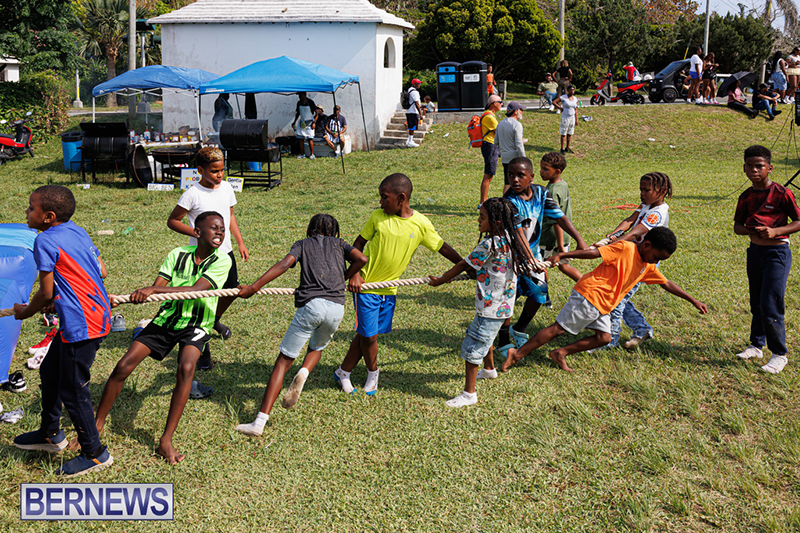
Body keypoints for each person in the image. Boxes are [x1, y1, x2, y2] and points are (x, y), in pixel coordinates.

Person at [90, 212, 232, 464]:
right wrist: (146, 293)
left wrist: (154, 289)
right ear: (197, 233)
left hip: (197, 322)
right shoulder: (177, 254)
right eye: (214, 228)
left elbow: (196, 290)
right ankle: (97, 425)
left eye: (222, 229)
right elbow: (159, 285)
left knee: (186, 368)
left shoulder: (222, 261)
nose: (220, 232)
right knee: (124, 365)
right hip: (167, 318)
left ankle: (166, 440)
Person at [501, 227, 708, 373]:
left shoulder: (648, 266)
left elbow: (666, 283)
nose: (657, 261)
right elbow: (593, 253)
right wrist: (562, 255)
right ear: (647, 244)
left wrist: (692, 300)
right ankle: (517, 354)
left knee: (604, 338)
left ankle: (559, 353)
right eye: (657, 256)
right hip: (590, 295)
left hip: (603, 305)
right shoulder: (625, 248)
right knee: (558, 329)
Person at [12, 185, 113, 476]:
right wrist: (65, 295)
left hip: (83, 324)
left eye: (32, 208)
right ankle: (49, 434)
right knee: (50, 371)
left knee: (72, 388)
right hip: (94, 312)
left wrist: (25, 312)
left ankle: (95, 453)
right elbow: (100, 270)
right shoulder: (77, 231)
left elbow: (44, 294)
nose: (27, 212)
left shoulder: (43, 241)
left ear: (48, 216)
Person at [235, 215, 367, 435]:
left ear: (310, 229)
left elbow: (285, 264)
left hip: (311, 306)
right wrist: (343, 278)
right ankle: (305, 371)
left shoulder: (302, 245)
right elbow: (361, 259)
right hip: (336, 308)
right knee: (317, 347)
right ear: (335, 231)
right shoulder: (341, 244)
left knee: (283, 362)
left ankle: (259, 422)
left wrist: (254, 287)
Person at [334, 173, 463, 395]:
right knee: (370, 335)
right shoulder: (377, 217)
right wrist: (354, 273)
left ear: (401, 197)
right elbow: (357, 244)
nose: (381, 202)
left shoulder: (421, 223)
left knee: (368, 333)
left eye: (385, 197)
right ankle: (373, 374)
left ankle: (343, 372)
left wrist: (465, 265)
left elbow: (442, 247)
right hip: (365, 286)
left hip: (390, 290)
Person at [429, 198, 534, 407]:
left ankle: (469, 394)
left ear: (495, 222)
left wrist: (441, 280)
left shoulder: (489, 243)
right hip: (504, 306)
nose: (478, 220)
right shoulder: (512, 240)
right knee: (487, 338)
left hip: (490, 307)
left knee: (473, 346)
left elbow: (462, 264)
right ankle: (489, 370)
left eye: (482, 217)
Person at [495, 157, 588, 369]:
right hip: (509, 259)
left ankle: (519, 329)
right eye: (511, 175)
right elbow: (517, 236)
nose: (515, 180)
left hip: (533, 255)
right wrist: (529, 260)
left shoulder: (541, 193)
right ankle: (503, 341)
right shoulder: (508, 201)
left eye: (520, 176)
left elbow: (560, 217)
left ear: (531, 177)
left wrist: (579, 240)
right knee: (507, 300)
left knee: (539, 295)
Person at [167, 146, 249, 372]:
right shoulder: (192, 194)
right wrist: (192, 232)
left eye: (222, 170)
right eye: (214, 171)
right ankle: (203, 351)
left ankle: (214, 319)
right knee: (201, 302)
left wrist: (239, 241)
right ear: (200, 170)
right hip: (203, 257)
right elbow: (173, 220)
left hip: (226, 253)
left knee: (231, 290)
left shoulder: (225, 189)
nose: (220, 175)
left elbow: (230, 215)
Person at [734, 145, 800, 374]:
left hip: (777, 253)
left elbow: (798, 221)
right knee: (757, 302)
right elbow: (738, 227)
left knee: (771, 303)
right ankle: (756, 345)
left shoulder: (782, 193)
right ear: (744, 168)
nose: (754, 170)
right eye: (750, 166)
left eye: (759, 166)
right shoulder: (746, 196)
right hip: (755, 252)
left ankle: (780, 354)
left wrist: (775, 231)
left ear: (769, 168)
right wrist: (751, 230)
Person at [598, 172, 673, 349]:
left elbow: (635, 232)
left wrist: (611, 245)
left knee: (618, 299)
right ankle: (641, 328)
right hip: (633, 258)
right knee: (619, 295)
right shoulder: (646, 205)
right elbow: (629, 221)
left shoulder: (658, 213)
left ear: (661, 191)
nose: (642, 193)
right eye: (641, 189)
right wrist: (612, 236)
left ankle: (611, 340)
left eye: (646, 190)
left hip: (645, 261)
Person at [538, 152, 582, 284]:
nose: (541, 172)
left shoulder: (551, 190)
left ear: (557, 171)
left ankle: (543, 298)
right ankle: (587, 285)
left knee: (539, 267)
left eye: (545, 169)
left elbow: (556, 222)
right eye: (541, 168)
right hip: (565, 236)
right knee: (564, 266)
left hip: (550, 239)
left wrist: (561, 247)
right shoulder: (563, 184)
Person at [479, 94, 503, 207]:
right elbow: (499, 131)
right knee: (488, 175)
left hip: (491, 145)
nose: (502, 104)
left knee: (489, 175)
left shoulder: (489, 115)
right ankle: (483, 202)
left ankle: (483, 201)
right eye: (500, 102)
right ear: (494, 103)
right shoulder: (489, 116)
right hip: (490, 146)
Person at [496, 101, 526, 192]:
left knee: (507, 182)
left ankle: (505, 203)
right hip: (515, 158)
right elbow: (518, 143)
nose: (522, 112)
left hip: (505, 157)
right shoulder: (517, 124)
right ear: (516, 111)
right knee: (521, 181)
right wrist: (524, 158)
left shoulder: (500, 123)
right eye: (521, 110)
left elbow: (496, 141)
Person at [553, 85, 578, 154]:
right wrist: (560, 108)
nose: (572, 91)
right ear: (567, 90)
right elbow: (554, 102)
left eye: (573, 89)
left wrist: (576, 119)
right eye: (570, 89)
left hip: (572, 117)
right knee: (563, 133)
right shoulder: (564, 97)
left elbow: (575, 109)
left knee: (570, 133)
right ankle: (562, 148)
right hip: (565, 117)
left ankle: (567, 147)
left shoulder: (575, 98)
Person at [292, 92, 317, 159]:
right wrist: (294, 121)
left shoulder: (310, 102)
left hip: (310, 122)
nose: (300, 97)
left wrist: (314, 122)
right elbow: (298, 113)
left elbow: (317, 113)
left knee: (310, 139)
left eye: (301, 95)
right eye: (299, 95)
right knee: (301, 139)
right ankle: (302, 154)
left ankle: (312, 154)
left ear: (305, 95)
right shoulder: (299, 103)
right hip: (302, 122)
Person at [405, 78, 423, 148]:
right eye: (418, 83)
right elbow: (417, 103)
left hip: (410, 111)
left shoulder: (410, 90)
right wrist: (420, 113)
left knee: (411, 126)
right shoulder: (414, 92)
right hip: (413, 111)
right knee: (412, 127)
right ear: (414, 84)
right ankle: (410, 141)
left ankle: (410, 140)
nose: (419, 84)